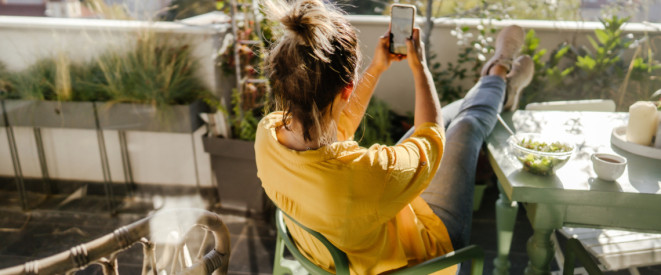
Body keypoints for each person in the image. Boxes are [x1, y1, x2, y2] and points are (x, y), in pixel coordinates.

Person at [254, 0, 534, 274]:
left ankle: (496, 87)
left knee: (454, 115)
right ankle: (498, 73)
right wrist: (420, 67)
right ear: (347, 89)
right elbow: (431, 139)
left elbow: (336, 123)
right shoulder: (361, 175)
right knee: (466, 125)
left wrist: (376, 67)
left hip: (357, 228)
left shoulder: (268, 134)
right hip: (422, 255)